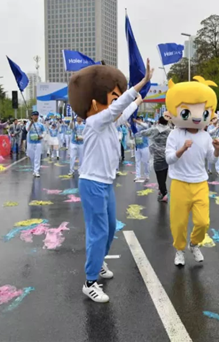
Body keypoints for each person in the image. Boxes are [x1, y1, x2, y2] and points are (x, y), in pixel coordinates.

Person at [68, 60, 153, 303]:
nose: (113, 105)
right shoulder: (94, 122)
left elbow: (123, 112)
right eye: (110, 99)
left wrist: (139, 99)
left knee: (110, 229)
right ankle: (90, 282)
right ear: (95, 104)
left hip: (105, 183)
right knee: (98, 232)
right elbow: (117, 110)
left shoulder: (109, 123)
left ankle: (99, 263)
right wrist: (140, 84)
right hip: (92, 183)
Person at [165, 76, 219, 267]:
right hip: (180, 182)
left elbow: (211, 160)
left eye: (203, 112)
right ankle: (179, 250)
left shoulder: (206, 136)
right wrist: (181, 149)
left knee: (202, 222)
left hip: (200, 183)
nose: (197, 117)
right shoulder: (175, 134)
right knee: (179, 223)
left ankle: (194, 244)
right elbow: (169, 158)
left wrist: (217, 149)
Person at [136, 115, 172, 201]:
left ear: (158, 122)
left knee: (159, 175)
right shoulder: (170, 131)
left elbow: (143, 133)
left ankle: (164, 193)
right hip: (167, 155)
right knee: (164, 174)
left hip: (157, 156)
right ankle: (162, 189)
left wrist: (136, 133)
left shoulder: (154, 130)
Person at [26, 112, 46, 177]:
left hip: (38, 142)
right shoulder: (28, 123)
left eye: (36, 115)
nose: (35, 117)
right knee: (32, 157)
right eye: (34, 115)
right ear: (32, 116)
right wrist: (31, 124)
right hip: (30, 142)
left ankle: (36, 171)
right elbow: (27, 130)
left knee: (37, 157)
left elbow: (45, 132)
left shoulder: (41, 124)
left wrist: (41, 136)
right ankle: (34, 169)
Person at [133, 116, 151, 182]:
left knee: (145, 162)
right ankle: (137, 176)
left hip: (144, 146)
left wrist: (137, 121)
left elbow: (147, 126)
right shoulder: (135, 127)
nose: (138, 121)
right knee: (137, 161)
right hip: (137, 147)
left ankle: (146, 175)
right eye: (137, 119)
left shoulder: (145, 126)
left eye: (139, 119)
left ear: (142, 120)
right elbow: (130, 127)